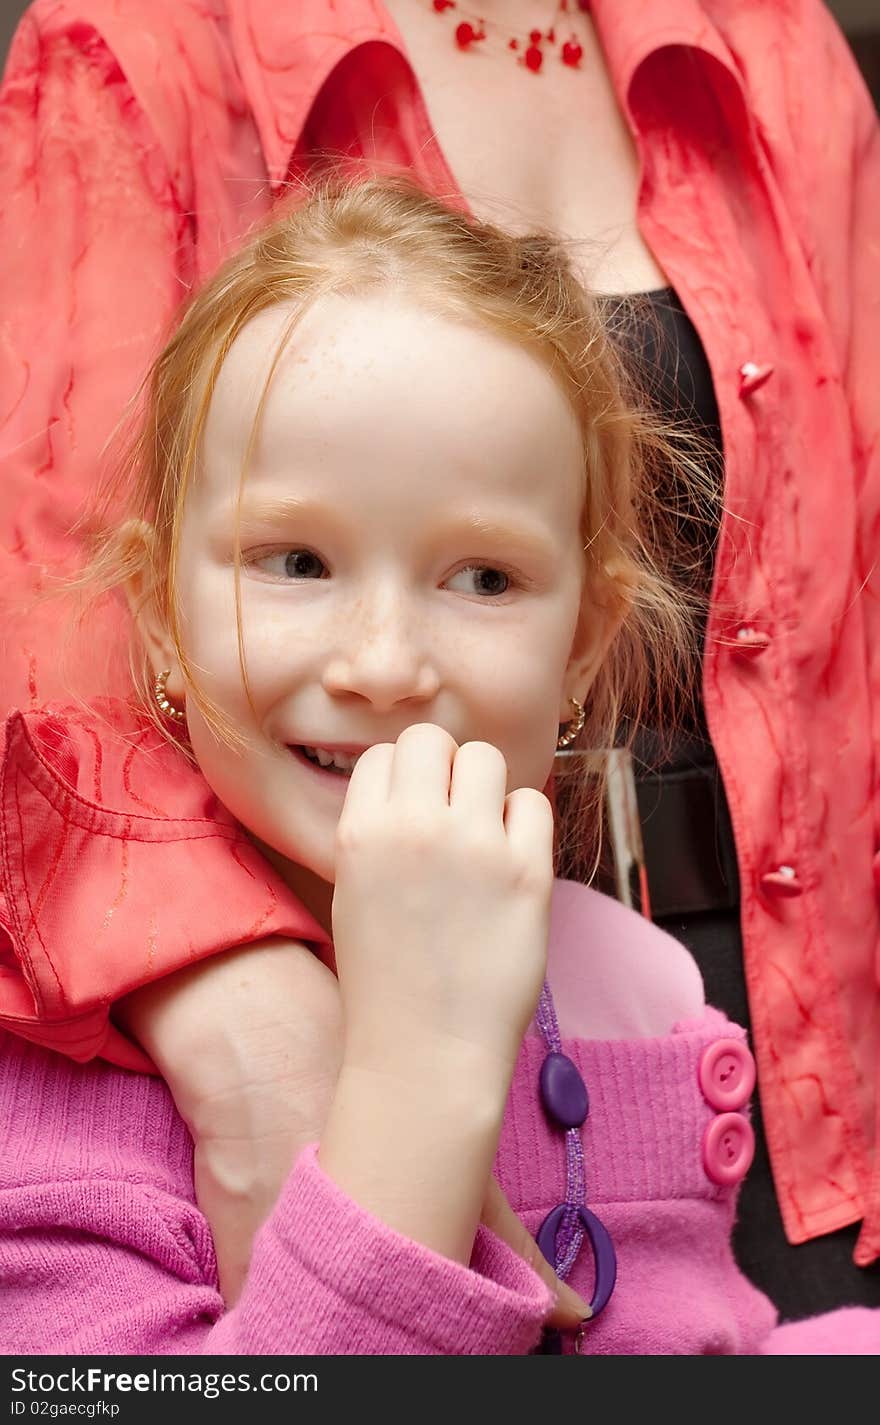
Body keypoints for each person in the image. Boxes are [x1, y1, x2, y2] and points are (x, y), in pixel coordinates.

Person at [0, 0, 878, 1321]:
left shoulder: (774, 42)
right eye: (298, 562)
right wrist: (296, 1049)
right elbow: (44, 610)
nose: (385, 658)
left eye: (482, 577)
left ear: (588, 636)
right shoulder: (139, 35)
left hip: (736, 1016)